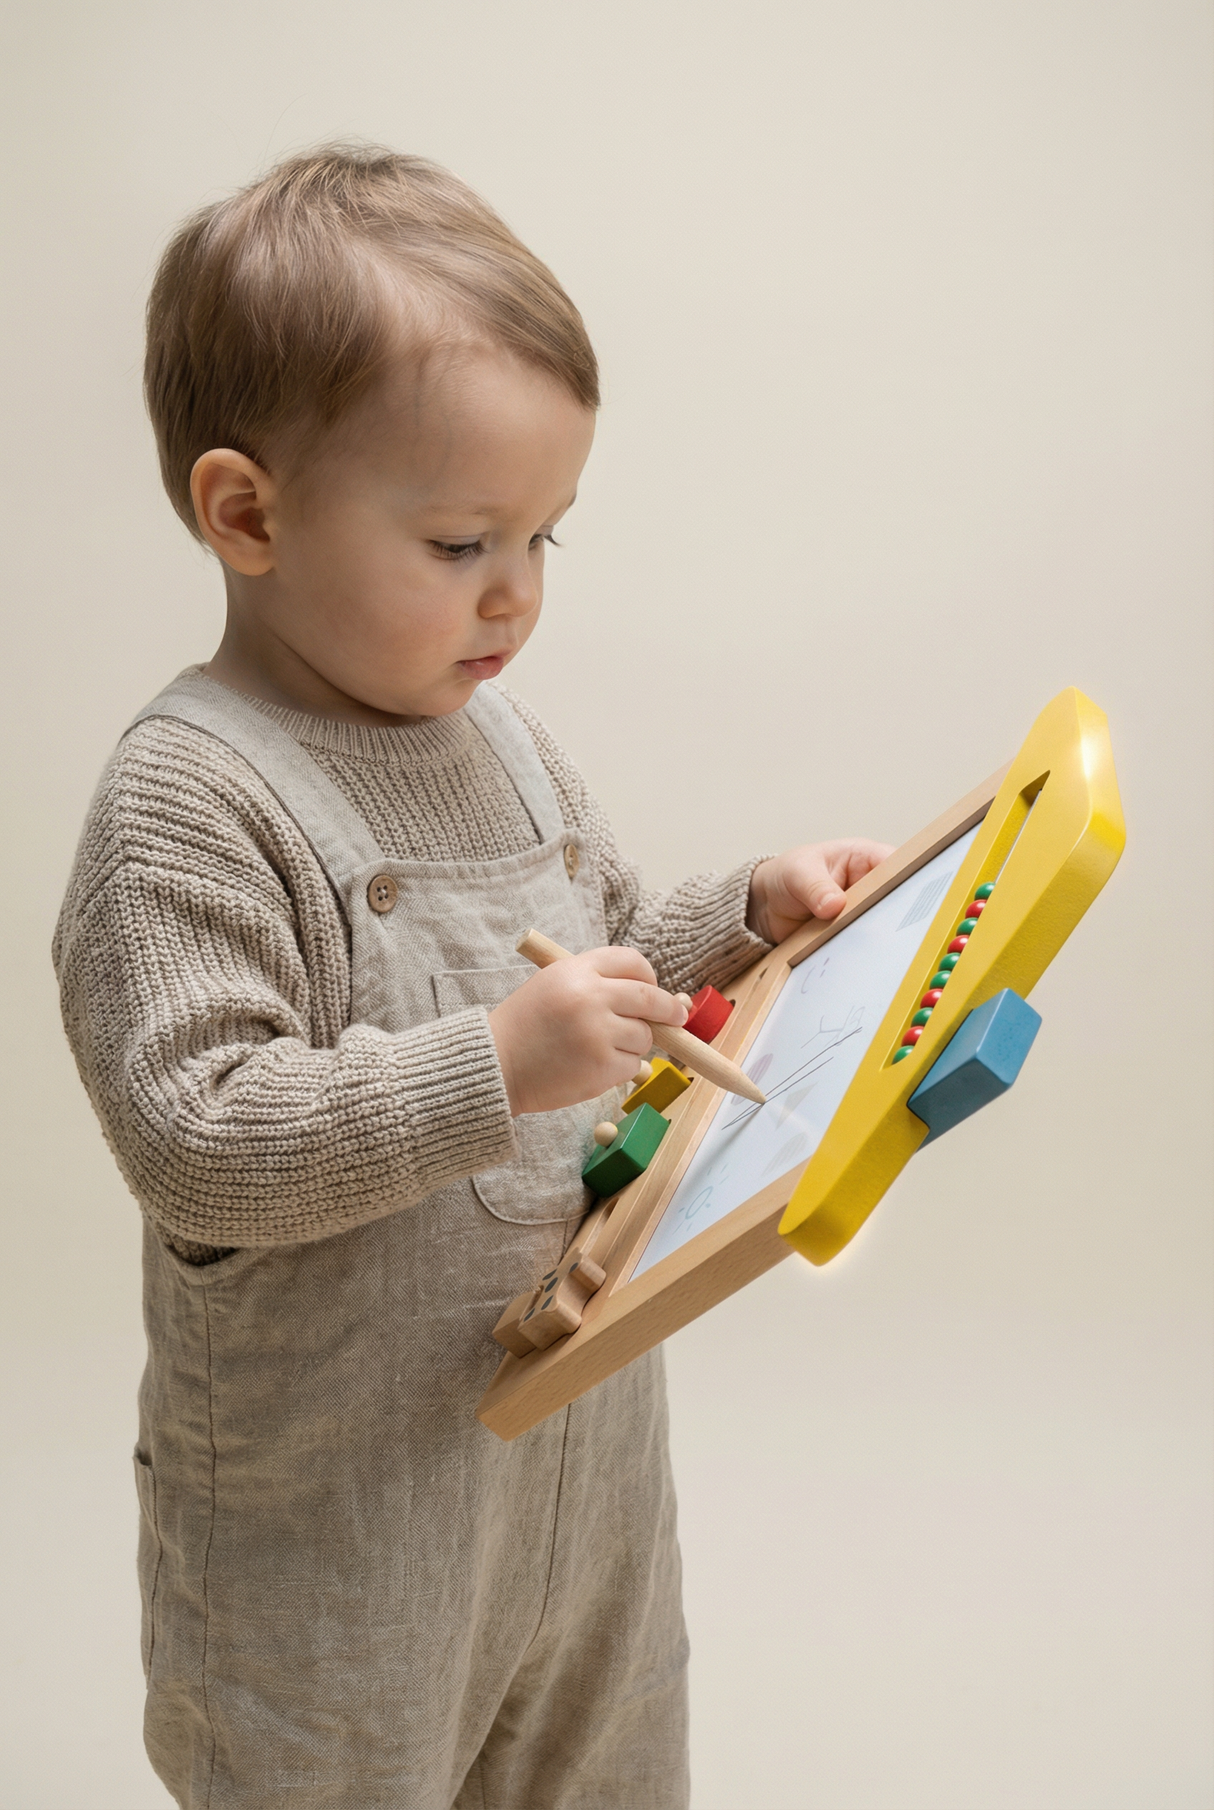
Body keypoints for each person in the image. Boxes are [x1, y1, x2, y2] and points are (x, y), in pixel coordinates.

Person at [53, 144, 891, 1810]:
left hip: (576, 1496)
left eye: (542, 537)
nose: (510, 591)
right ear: (247, 512)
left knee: (602, 1767)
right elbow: (197, 1137)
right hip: (337, 1535)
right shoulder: (187, 802)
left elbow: (611, 975)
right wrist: (490, 1062)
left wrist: (744, 914)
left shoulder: (496, 734)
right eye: (455, 540)